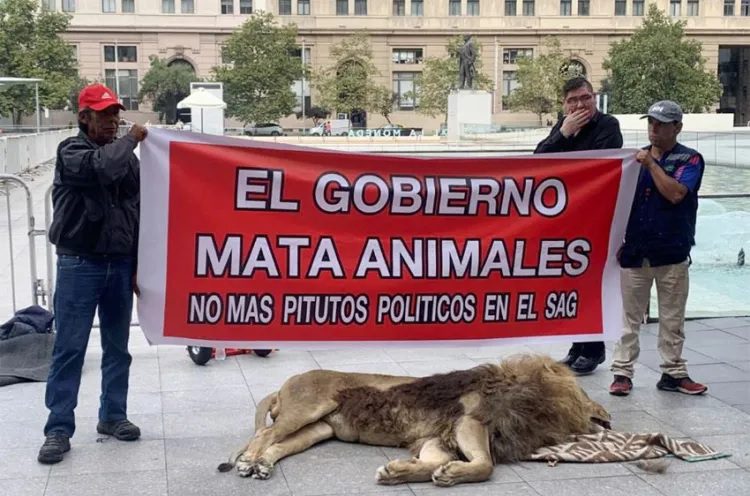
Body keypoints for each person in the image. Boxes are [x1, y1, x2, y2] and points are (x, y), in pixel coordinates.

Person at [38, 83, 148, 464]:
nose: (113, 122)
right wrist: (133, 139)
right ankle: (58, 427)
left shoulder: (126, 160)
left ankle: (113, 416)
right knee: (70, 348)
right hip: (79, 265)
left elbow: (136, 211)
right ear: (84, 117)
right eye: (104, 115)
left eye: (116, 115)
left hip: (118, 265)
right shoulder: (72, 152)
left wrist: (136, 264)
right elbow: (101, 169)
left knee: (118, 348)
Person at [609, 100, 707, 397]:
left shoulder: (690, 161)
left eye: (662, 124)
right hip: (636, 251)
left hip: (672, 252)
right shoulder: (632, 161)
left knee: (672, 318)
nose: (654, 129)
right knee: (628, 319)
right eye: (651, 122)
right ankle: (622, 373)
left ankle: (673, 373)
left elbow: (676, 194)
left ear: (677, 127)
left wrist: (651, 164)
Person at [535, 76, 623, 375]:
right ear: (565, 104)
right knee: (570, 283)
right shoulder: (563, 126)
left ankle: (594, 348)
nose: (579, 105)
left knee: (591, 283)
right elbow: (537, 163)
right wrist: (562, 134)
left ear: (594, 97)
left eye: (584, 98)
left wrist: (567, 149)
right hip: (566, 221)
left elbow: (595, 165)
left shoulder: (608, 126)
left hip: (596, 220)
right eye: (573, 100)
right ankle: (578, 345)